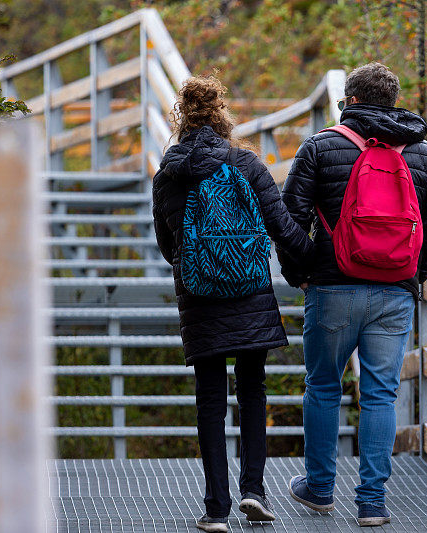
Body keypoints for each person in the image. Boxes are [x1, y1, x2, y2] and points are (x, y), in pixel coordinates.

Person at [279, 62, 427, 527]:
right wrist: (411, 274)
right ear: (392, 101)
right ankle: (372, 503)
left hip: (332, 287)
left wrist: (300, 273)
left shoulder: (320, 146)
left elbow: (290, 219)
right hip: (393, 293)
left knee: (322, 386)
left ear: (351, 101)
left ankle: (319, 489)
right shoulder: (424, 153)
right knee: (380, 396)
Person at [152, 76, 314, 533]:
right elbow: (284, 230)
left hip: (200, 298)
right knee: (252, 391)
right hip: (249, 294)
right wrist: (316, 265)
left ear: (181, 119)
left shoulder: (167, 175)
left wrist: (199, 263)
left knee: (210, 400)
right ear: (223, 116)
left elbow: (169, 247)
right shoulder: (246, 164)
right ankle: (254, 491)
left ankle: (216, 509)